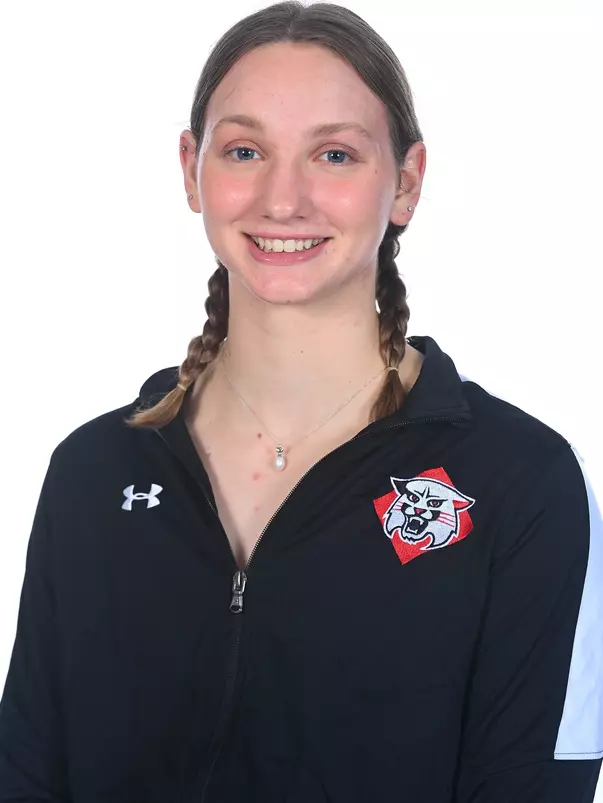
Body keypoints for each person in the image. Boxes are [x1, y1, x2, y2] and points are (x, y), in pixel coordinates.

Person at [1, 1, 602, 801]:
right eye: (245, 150)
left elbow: (536, 781)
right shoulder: (94, 469)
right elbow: (27, 768)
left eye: (335, 155)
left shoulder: (520, 483)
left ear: (406, 182)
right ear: (191, 169)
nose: (283, 199)